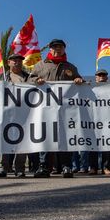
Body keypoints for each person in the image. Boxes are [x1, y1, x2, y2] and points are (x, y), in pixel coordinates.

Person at [28, 39, 83, 178]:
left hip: (65, 109)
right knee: (46, 136)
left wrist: (78, 80)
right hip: (44, 108)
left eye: (60, 47)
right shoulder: (40, 65)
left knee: (65, 137)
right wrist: (36, 80)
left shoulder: (70, 67)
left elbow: (79, 81)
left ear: (64, 49)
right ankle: (44, 167)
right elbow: (29, 80)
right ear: (49, 49)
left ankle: (66, 167)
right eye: (54, 47)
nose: (57, 49)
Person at [0, 54, 29, 178]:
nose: (17, 62)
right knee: (3, 141)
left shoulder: (28, 77)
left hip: (24, 114)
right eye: (14, 60)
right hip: (5, 114)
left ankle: (19, 168)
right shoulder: (0, 77)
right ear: (8, 62)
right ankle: (1, 167)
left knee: (23, 142)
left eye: (19, 60)